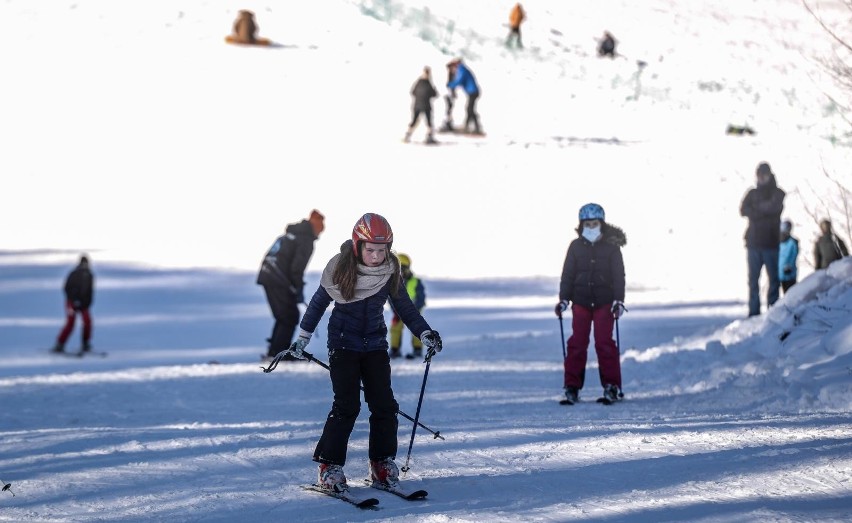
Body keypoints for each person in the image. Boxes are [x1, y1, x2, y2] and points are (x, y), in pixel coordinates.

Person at [280, 213, 443, 493]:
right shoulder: (341, 269)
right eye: (370, 249)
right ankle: (329, 466)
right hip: (343, 344)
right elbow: (318, 303)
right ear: (358, 246)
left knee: (384, 405)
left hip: (375, 345)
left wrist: (424, 332)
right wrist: (303, 338)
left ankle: (381, 463)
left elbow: (404, 306)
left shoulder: (391, 270)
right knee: (347, 406)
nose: (376, 256)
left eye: (382, 250)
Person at [555, 203, 627, 405]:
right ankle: (572, 386)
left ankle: (612, 385)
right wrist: (563, 299)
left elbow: (618, 276)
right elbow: (568, 275)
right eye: (588, 223)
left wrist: (619, 300)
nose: (591, 227)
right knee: (577, 344)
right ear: (581, 224)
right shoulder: (575, 247)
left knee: (604, 344)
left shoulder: (612, 247)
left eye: (595, 223)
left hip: (605, 303)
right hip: (581, 302)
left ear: (602, 224)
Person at [257, 210, 325, 359]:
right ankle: (278, 352)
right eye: (321, 226)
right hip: (278, 279)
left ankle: (275, 349)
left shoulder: (291, 235)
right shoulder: (305, 240)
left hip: (269, 275)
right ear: (315, 225)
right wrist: (298, 287)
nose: (321, 231)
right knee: (289, 316)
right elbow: (297, 268)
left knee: (284, 316)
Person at [739, 162, 785, 316]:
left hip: (771, 244)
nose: (760, 178)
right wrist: (761, 211)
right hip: (753, 243)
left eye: (763, 175)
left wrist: (755, 210)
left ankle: (773, 311)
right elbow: (743, 209)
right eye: (758, 175)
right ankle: (753, 312)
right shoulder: (752, 193)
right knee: (753, 281)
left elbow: (773, 207)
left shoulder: (778, 193)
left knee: (773, 280)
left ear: (769, 175)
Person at [52, 255, 94, 353]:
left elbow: (90, 293)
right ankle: (60, 344)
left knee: (87, 322)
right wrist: (74, 300)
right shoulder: (74, 274)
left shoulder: (90, 275)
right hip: (71, 302)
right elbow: (67, 288)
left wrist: (86, 304)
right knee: (71, 323)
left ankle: (86, 344)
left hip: (84, 304)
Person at [388, 253, 427, 359]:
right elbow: (391, 299)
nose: (401, 271)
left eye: (403, 268)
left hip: (414, 311)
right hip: (399, 312)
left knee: (417, 328)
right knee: (395, 328)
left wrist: (415, 310)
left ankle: (417, 349)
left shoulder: (416, 282)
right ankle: (395, 349)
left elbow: (421, 297)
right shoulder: (393, 282)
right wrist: (395, 310)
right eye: (399, 269)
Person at [446, 58, 483, 135]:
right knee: (470, 109)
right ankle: (471, 126)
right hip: (472, 92)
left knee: (470, 109)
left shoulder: (462, 69)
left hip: (473, 92)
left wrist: (450, 84)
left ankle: (475, 127)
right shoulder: (462, 69)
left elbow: (459, 80)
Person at [404, 67, 438, 145]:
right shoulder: (428, 83)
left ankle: (407, 135)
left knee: (414, 121)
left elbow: (412, 92)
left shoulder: (418, 82)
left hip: (416, 105)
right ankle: (429, 137)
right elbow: (434, 94)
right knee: (429, 122)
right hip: (426, 105)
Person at [778, 220, 799, 294]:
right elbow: (794, 256)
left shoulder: (776, 241)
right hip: (789, 273)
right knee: (790, 296)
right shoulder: (793, 242)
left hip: (778, 271)